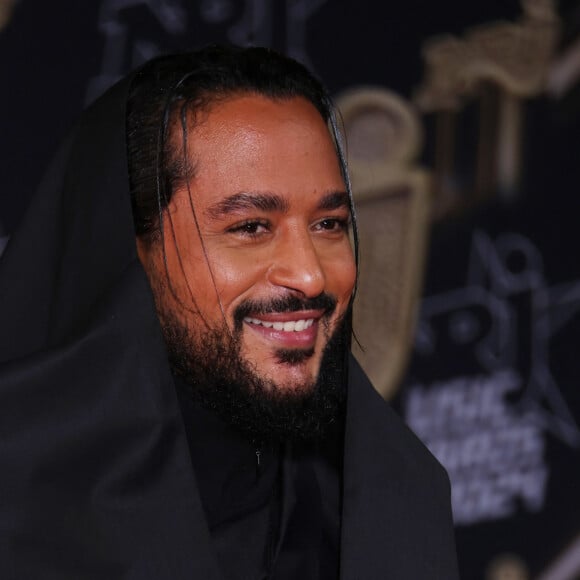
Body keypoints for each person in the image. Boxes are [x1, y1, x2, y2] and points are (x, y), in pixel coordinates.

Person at [0, 45, 459, 579]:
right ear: (131, 252)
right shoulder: (15, 508)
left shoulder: (390, 501)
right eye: (251, 228)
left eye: (329, 224)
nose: (310, 275)